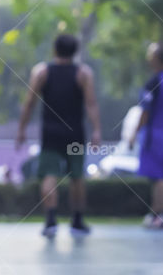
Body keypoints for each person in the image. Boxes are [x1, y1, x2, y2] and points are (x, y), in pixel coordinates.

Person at [16, 34, 101, 238]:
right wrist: (97, 130)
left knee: (49, 176)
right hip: (75, 133)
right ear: (75, 52)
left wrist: (21, 129)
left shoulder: (41, 72)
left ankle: (51, 220)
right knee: (77, 177)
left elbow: (29, 103)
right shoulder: (83, 73)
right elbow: (91, 104)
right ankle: (77, 220)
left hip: (51, 133)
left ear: (54, 50)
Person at [129, 42, 163, 229]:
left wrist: (133, 134)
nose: (148, 57)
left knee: (157, 177)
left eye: (151, 54)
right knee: (162, 178)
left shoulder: (154, 83)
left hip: (154, 138)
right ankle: (157, 212)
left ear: (157, 58)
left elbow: (145, 113)